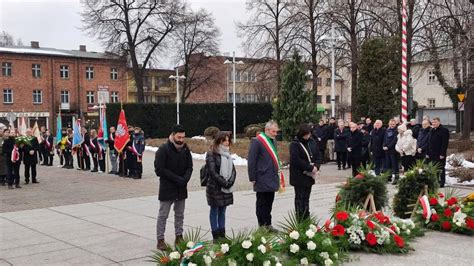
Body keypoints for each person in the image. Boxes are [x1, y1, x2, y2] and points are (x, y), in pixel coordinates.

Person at [154, 125, 193, 250]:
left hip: (181, 187)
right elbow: (160, 170)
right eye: (179, 137)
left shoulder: (186, 150)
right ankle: (160, 239)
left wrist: (185, 179)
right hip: (167, 187)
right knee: (163, 214)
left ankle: (179, 236)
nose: (181, 140)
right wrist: (177, 179)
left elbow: (189, 167)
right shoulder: (163, 149)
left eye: (183, 137)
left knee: (180, 214)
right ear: (173, 135)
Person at [248, 120, 282, 231]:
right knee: (262, 203)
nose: (275, 134)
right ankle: (262, 225)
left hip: (272, 177)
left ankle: (268, 223)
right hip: (261, 177)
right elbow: (252, 161)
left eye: (276, 132)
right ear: (267, 130)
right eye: (273, 131)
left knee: (269, 202)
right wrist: (252, 177)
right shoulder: (257, 141)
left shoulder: (273, 141)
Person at [205, 131, 236, 242]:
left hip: (226, 187)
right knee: (215, 210)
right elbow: (212, 172)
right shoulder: (211, 154)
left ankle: (222, 235)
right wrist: (224, 182)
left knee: (223, 211)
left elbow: (233, 170)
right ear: (219, 141)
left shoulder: (228, 154)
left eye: (228, 140)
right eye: (224, 140)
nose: (227, 143)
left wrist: (230, 182)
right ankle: (216, 236)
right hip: (214, 188)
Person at [289, 124, 321, 220]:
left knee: (306, 198)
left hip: (309, 176)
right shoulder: (295, 144)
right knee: (300, 198)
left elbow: (318, 155)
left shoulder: (312, 142)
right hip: (299, 175)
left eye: (309, 134)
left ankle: (307, 217)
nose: (308, 136)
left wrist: (316, 166)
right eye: (306, 135)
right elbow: (296, 160)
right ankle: (300, 218)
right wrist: (310, 167)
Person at [427, 117, 449, 188]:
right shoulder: (432, 130)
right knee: (434, 168)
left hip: (439, 154)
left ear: (439, 122)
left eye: (435, 122)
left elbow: (444, 143)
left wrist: (442, 154)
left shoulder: (444, 130)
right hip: (432, 154)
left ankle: (442, 183)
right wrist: (428, 153)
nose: (434, 124)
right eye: (433, 122)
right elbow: (429, 142)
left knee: (441, 168)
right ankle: (435, 182)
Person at [383, 119, 399, 183]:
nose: (392, 125)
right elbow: (384, 139)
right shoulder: (387, 130)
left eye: (393, 124)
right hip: (386, 150)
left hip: (393, 150)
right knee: (388, 164)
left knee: (394, 164)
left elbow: (394, 140)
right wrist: (383, 145)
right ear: (388, 124)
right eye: (390, 124)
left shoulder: (396, 130)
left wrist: (388, 146)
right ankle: (388, 177)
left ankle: (396, 178)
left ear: (395, 124)